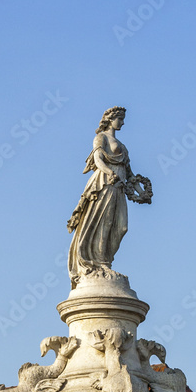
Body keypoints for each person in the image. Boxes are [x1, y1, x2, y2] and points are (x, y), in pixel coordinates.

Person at [68, 106, 148, 288]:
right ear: (111, 119)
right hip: (104, 183)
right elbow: (98, 159)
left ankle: (105, 261)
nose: (123, 122)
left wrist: (140, 191)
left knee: (120, 226)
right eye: (120, 119)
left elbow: (129, 173)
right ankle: (100, 263)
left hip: (118, 186)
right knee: (102, 222)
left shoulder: (124, 147)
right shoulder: (101, 137)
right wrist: (108, 172)